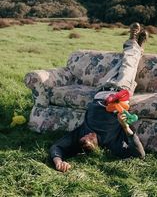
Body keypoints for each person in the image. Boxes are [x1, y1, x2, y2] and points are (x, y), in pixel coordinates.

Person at [50, 23, 149, 172]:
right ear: (95, 147)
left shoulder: (81, 134)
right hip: (121, 90)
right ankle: (133, 39)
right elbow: (139, 155)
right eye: (90, 138)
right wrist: (126, 128)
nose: (88, 134)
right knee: (128, 62)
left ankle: (137, 47)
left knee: (121, 61)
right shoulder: (112, 143)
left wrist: (58, 162)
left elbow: (56, 147)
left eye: (85, 137)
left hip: (102, 88)